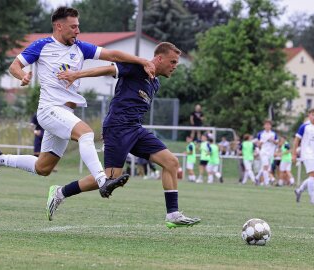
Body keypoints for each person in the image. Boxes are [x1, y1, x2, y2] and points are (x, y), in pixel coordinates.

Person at [0, 7, 157, 206]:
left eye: (78, 26)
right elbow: (14, 65)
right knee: (86, 133)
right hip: (49, 110)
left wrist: (141, 60)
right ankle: (103, 181)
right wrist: (22, 76)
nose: (77, 31)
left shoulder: (80, 48)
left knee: (43, 167)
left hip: (65, 113)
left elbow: (113, 55)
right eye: (73, 27)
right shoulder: (42, 45)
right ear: (59, 26)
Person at [51, 42, 201, 227]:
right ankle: (61, 192)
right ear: (159, 58)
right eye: (172, 61)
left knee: (171, 162)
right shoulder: (138, 66)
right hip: (117, 127)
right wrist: (76, 74)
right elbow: (108, 69)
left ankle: (173, 214)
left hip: (135, 129)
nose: (175, 66)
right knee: (109, 179)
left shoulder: (155, 82)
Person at [293, 108, 314, 204]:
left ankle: (299, 190)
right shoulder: (304, 127)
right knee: (313, 174)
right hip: (307, 154)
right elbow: (296, 140)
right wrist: (294, 154)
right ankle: (312, 199)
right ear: (309, 116)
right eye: (312, 115)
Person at [256, 120, 278, 186]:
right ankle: (267, 182)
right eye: (266, 125)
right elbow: (258, 144)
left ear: (271, 126)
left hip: (271, 153)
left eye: (269, 125)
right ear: (264, 126)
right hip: (264, 152)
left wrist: (273, 140)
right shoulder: (261, 134)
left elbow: (277, 143)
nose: (267, 126)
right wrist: (261, 143)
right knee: (265, 166)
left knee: (268, 168)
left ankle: (257, 177)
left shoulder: (273, 134)